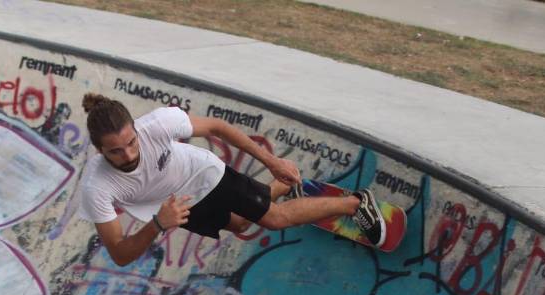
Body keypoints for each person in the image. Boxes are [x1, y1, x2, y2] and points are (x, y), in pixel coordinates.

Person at [78, 94, 386, 266]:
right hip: (173, 206)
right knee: (240, 225)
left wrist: (270, 160)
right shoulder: (97, 186)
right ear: (98, 149)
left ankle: (355, 204)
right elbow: (119, 254)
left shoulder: (158, 125)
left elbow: (216, 127)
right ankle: (284, 186)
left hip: (203, 175)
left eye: (132, 142)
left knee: (275, 219)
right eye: (116, 152)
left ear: (136, 127)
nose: (129, 154)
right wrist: (159, 223)